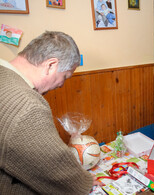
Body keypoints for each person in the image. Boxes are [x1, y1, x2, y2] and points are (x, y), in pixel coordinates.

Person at [0, 31, 99, 194]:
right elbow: (54, 166)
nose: (61, 85)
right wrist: (83, 182)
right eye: (65, 77)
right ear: (51, 65)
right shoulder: (26, 105)